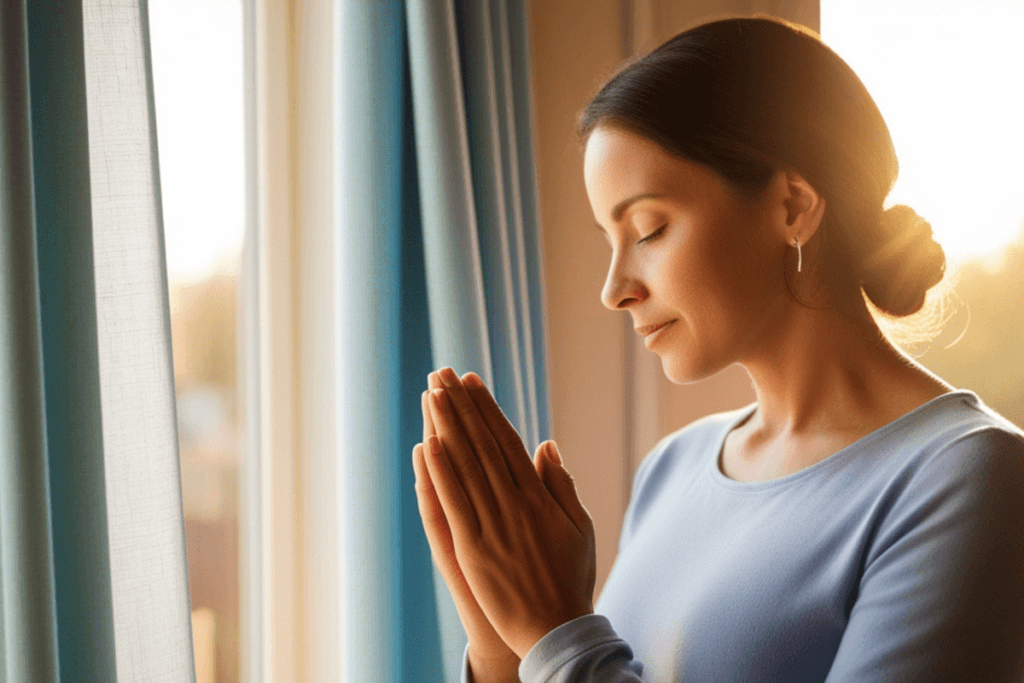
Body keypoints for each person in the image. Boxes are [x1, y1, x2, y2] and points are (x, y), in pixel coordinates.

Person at [412, 14, 1024, 683]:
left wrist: (553, 630)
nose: (614, 289)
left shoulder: (970, 476)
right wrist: (502, 649)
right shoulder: (672, 468)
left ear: (793, 206)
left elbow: (573, 657)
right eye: (609, 241)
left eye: (649, 229)